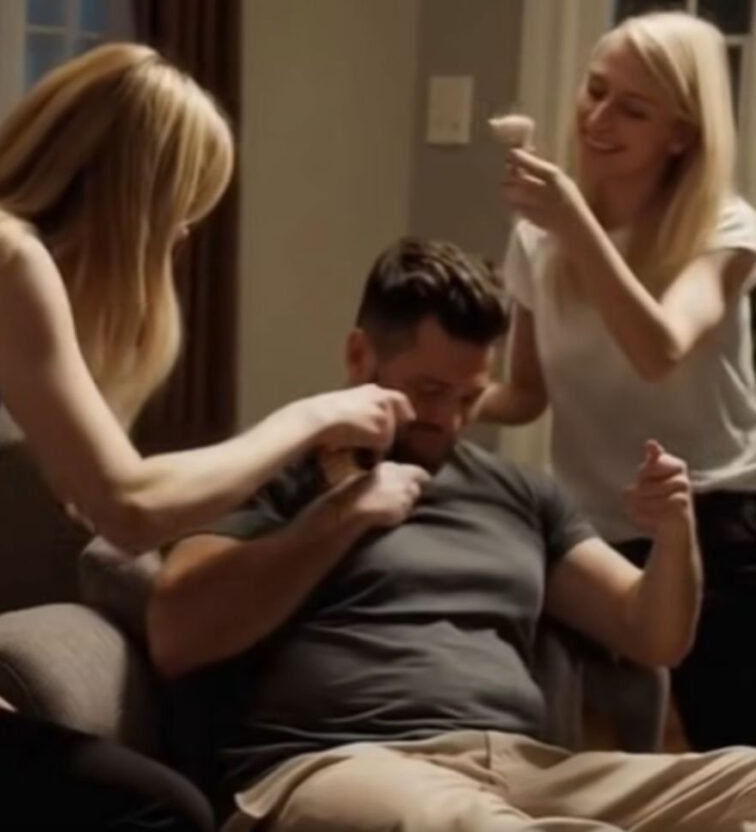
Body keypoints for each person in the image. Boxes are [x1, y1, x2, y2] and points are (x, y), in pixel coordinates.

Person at [0, 43, 413, 829]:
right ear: (137, 199)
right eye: (183, 209)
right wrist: (309, 416)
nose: (183, 237)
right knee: (159, 810)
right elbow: (128, 507)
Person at [147, 238, 756, 832]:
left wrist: (674, 530)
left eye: (470, 396)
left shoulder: (519, 494)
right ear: (360, 357)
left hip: (524, 770)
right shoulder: (277, 471)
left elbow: (652, 634)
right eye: (429, 391)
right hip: (350, 765)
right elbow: (177, 632)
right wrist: (341, 517)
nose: (449, 419)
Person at [475, 10, 756, 750]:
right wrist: (439, 398)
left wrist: (575, 226)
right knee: (596, 742)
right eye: (594, 91)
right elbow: (526, 393)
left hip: (716, 520)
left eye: (632, 109)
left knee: (730, 748)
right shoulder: (538, 237)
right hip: (591, 532)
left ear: (680, 135)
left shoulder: (727, 231)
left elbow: (659, 349)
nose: (598, 119)